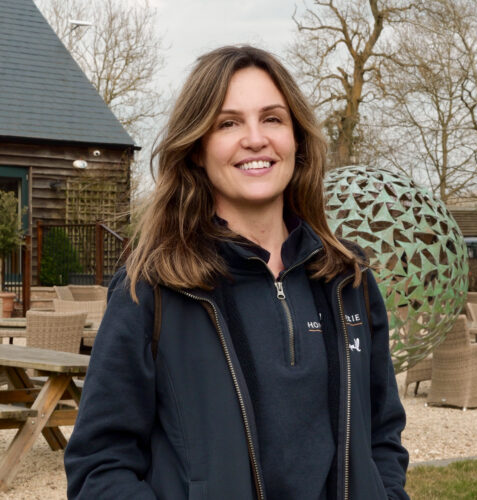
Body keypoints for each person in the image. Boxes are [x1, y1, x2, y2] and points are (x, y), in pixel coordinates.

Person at [64, 45, 409, 500]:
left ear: (297, 139)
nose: (255, 139)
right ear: (196, 149)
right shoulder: (151, 286)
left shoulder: (349, 278)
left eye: (273, 118)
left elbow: (382, 435)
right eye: (228, 123)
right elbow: (99, 464)